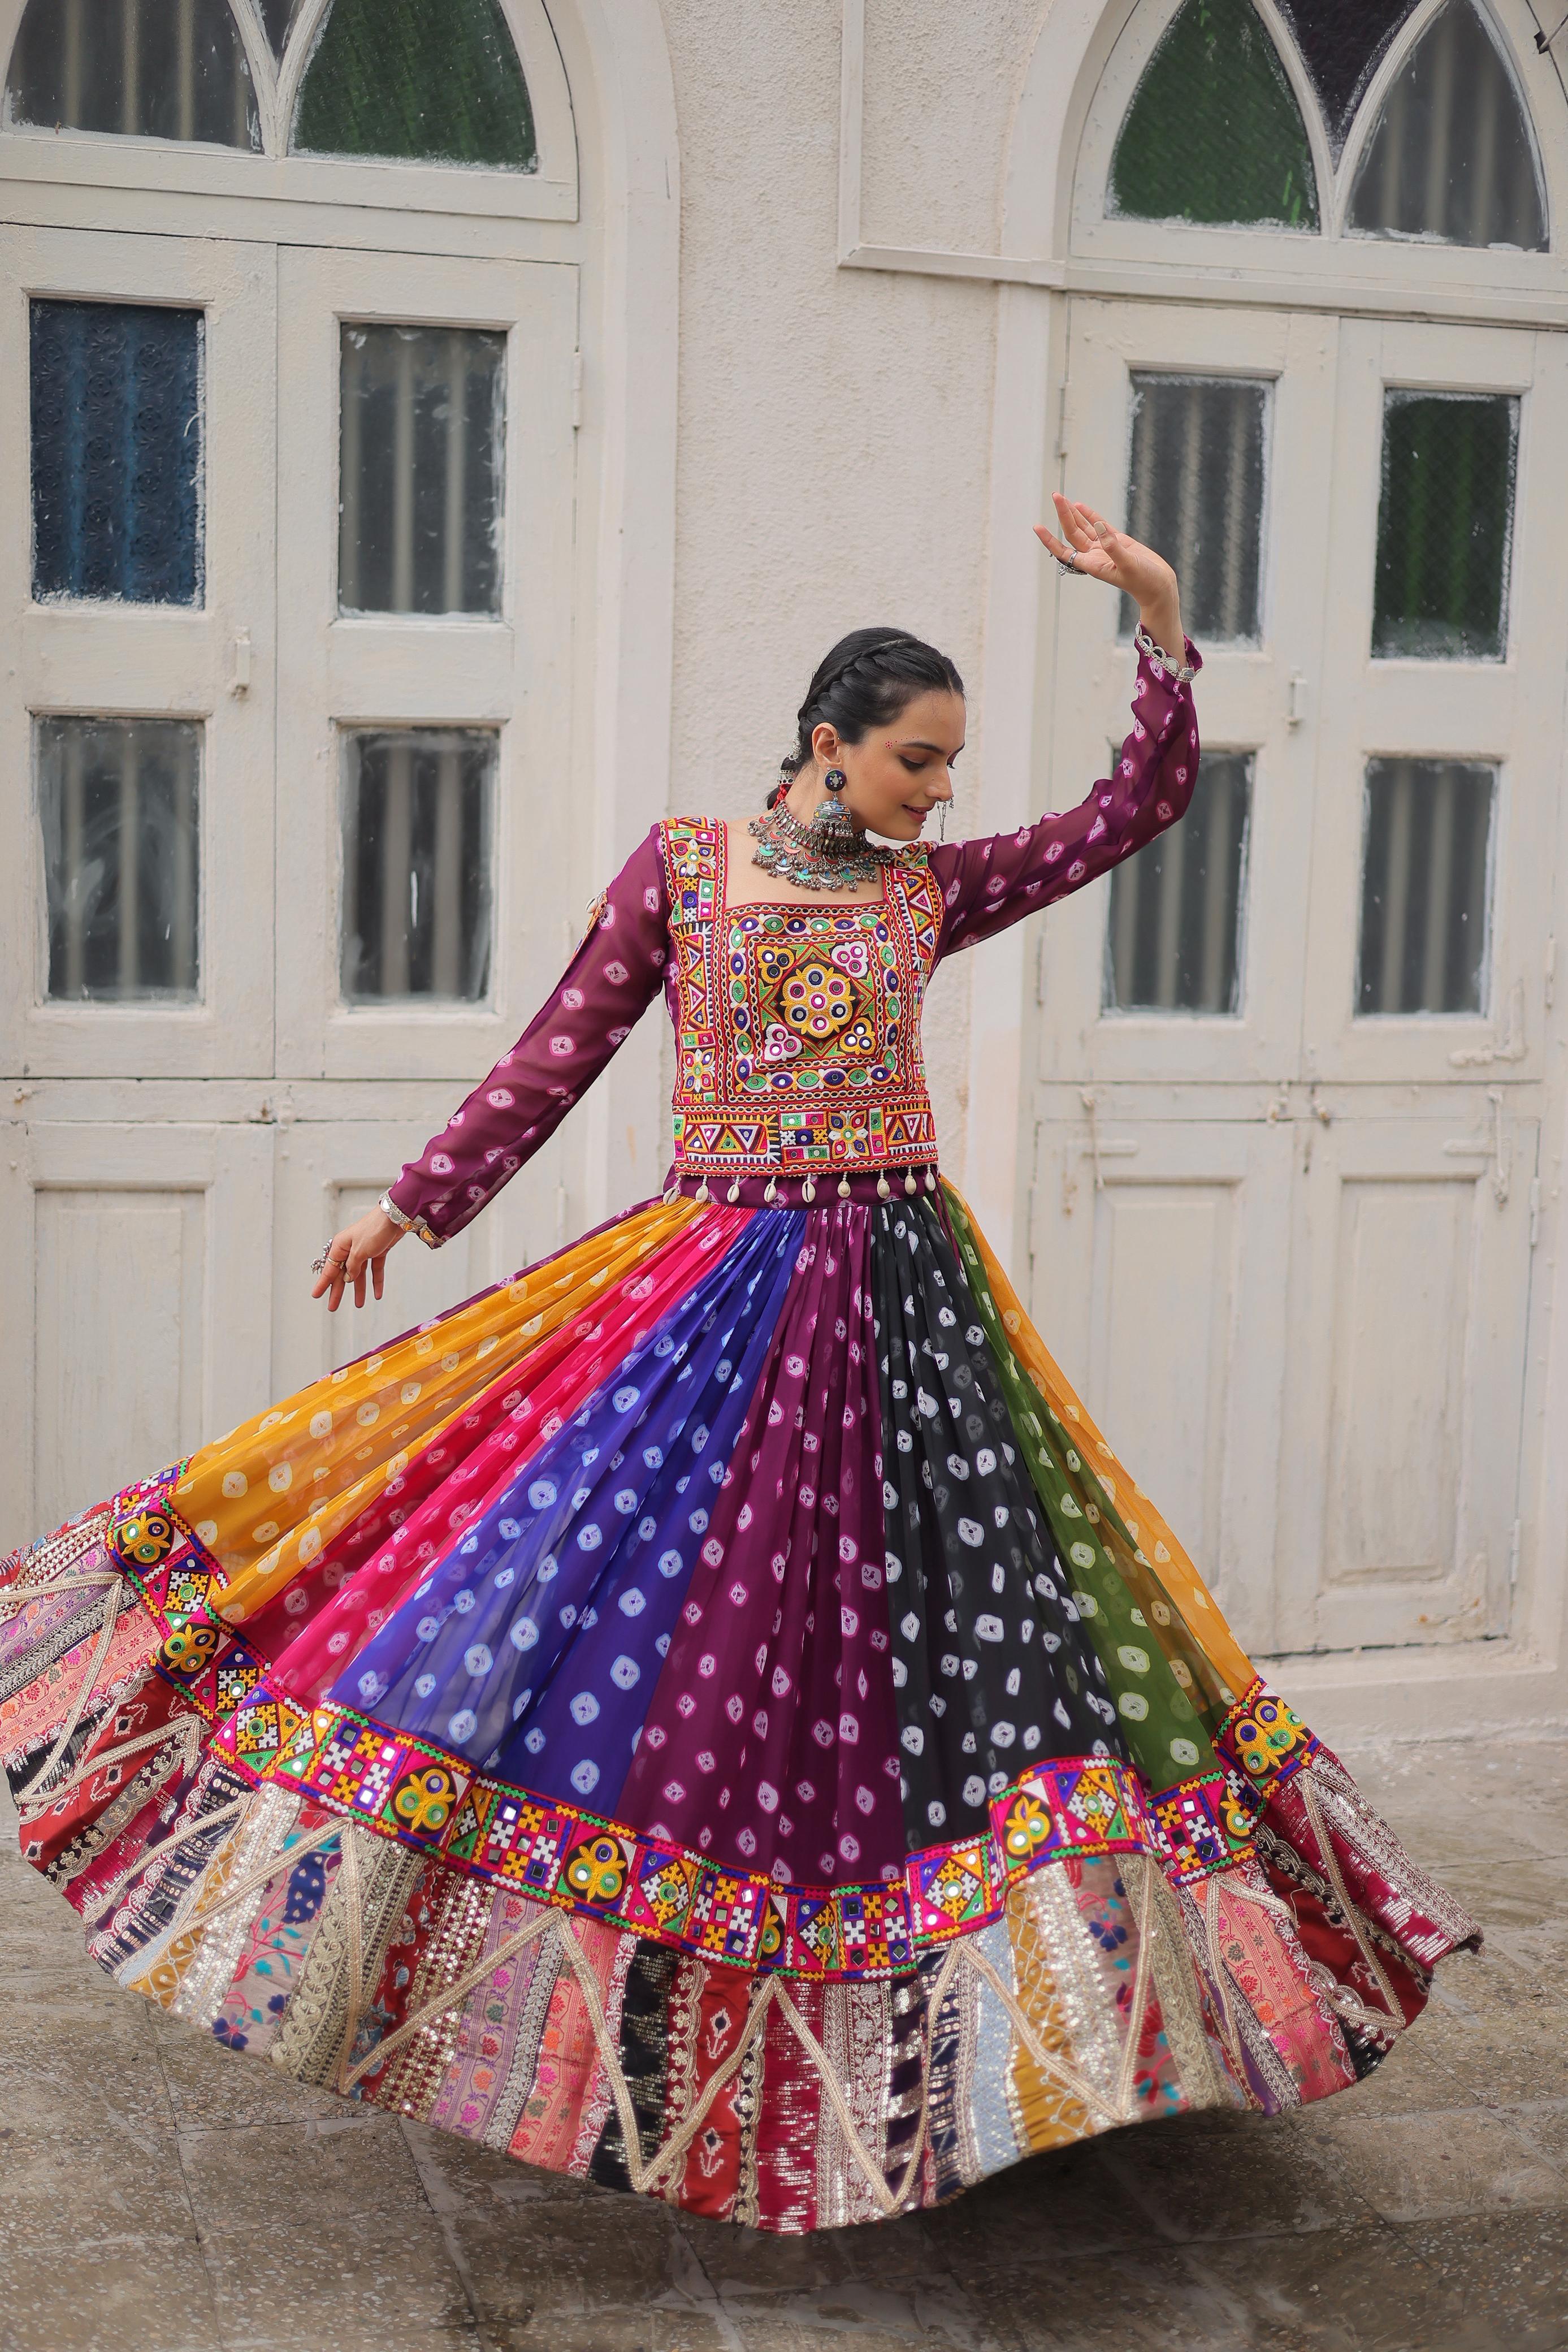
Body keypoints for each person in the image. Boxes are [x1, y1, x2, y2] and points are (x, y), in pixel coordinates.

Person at [1, 499, 1476, 2233]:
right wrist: (414, 1204)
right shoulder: (688, 874)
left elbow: (1127, 813)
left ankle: (994, 2046)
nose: (941, 791)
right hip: (719, 1296)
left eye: (951, 766)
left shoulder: (935, 889)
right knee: (665, 1629)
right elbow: (559, 1046)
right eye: (919, 760)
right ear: (826, 745)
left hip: (909, 1311)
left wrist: (1157, 617)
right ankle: (633, 2029)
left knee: (946, 1645)